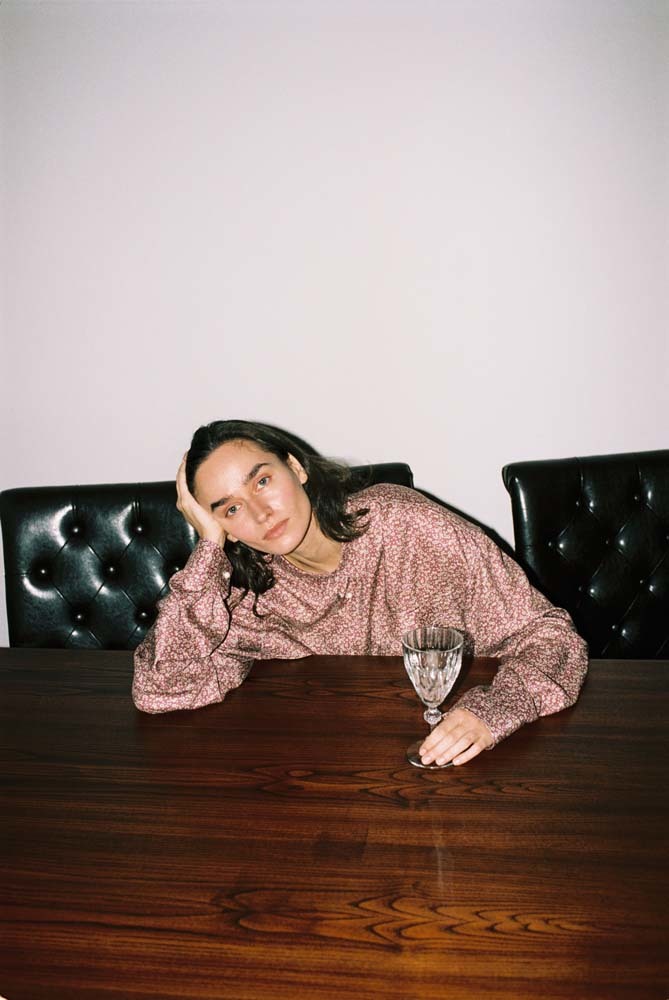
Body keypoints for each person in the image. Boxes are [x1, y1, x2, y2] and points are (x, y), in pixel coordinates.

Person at [132, 419, 588, 767]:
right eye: (231, 509)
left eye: (262, 481)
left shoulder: (408, 527)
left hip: (484, 760)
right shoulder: (252, 597)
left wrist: (493, 711)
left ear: (296, 468)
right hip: (347, 775)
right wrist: (209, 548)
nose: (259, 512)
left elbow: (551, 636)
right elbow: (161, 688)